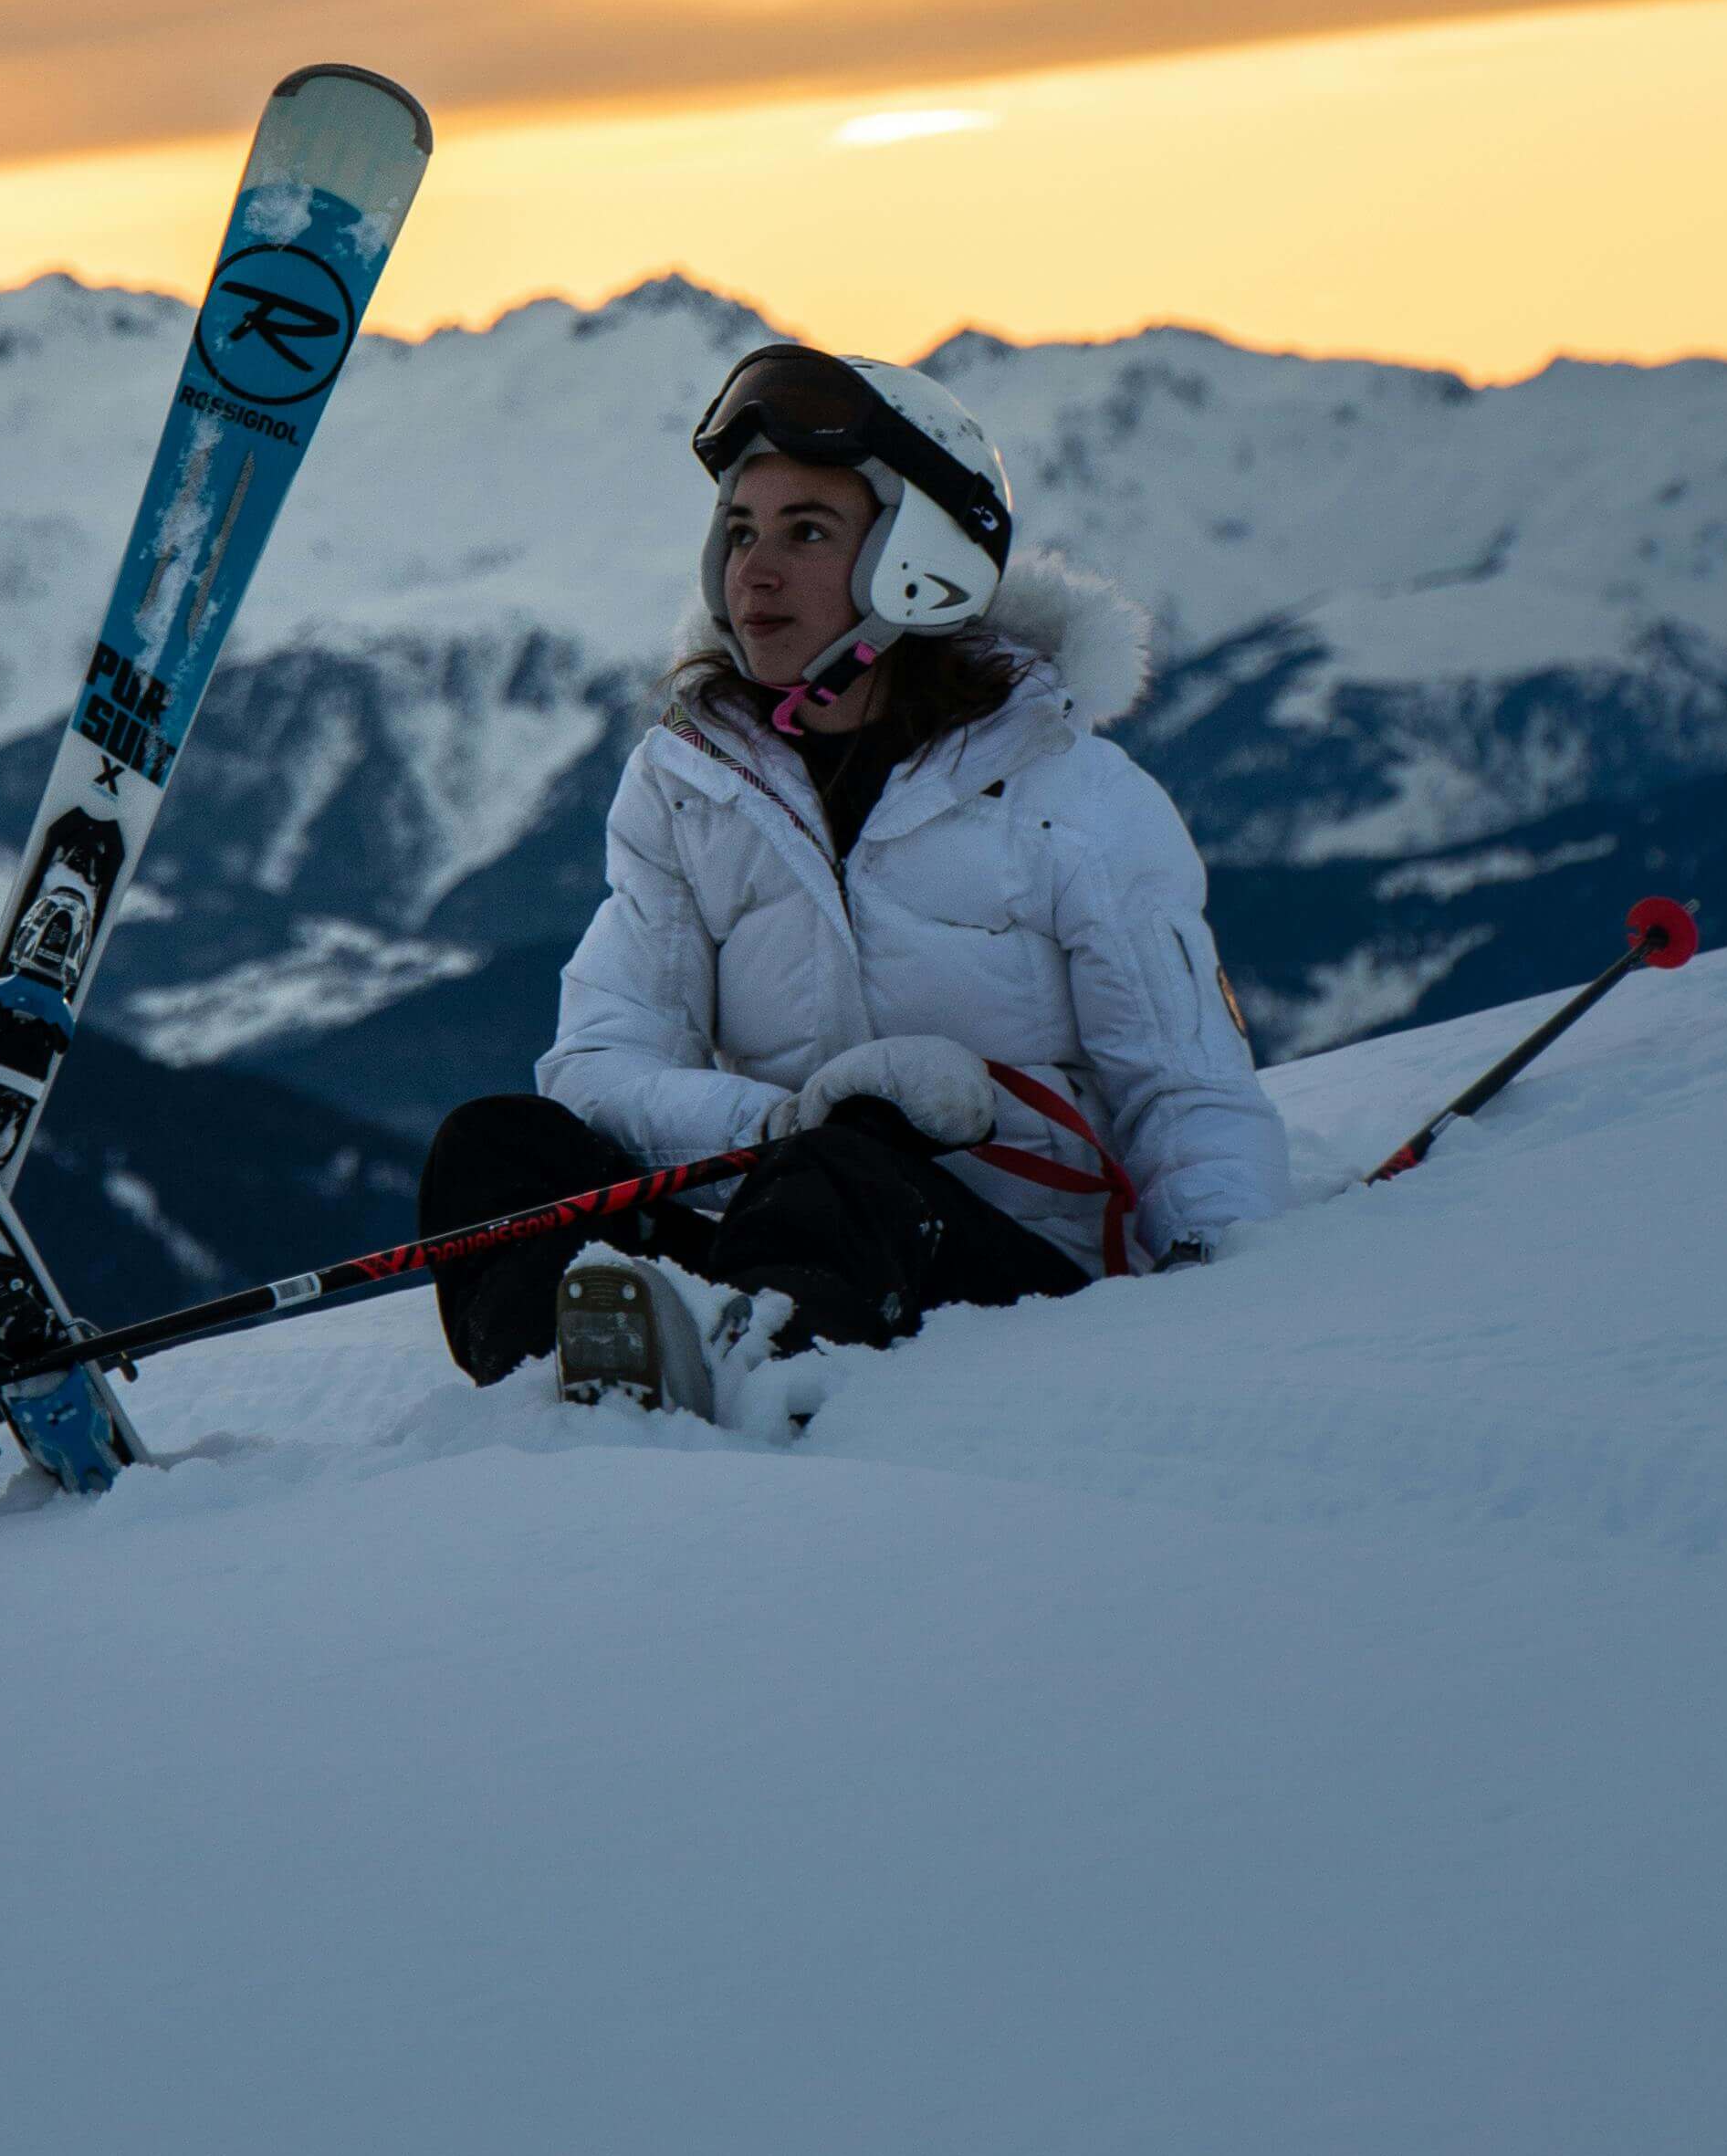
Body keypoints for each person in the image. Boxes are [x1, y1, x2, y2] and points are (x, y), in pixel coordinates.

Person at [421, 341, 1289, 1409]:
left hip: (1008, 1281)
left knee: (845, 1170)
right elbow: (601, 1063)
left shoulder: (1073, 794)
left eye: (808, 532)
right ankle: (571, 1390)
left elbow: (1186, 1089)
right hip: (771, 1245)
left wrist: (1219, 1273)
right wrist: (776, 1127)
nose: (754, 570)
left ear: (917, 566)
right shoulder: (688, 788)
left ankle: (720, 1379)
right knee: (495, 1151)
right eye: (740, 531)